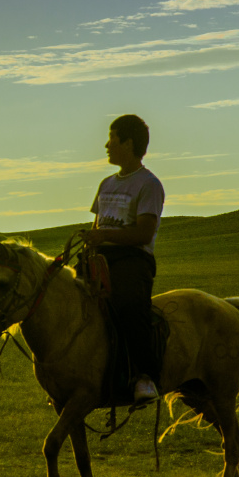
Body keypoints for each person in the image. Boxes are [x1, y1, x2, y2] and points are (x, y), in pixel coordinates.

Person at [84, 114, 165, 406]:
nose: (107, 145)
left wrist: (103, 235)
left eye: (112, 139)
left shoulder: (148, 184)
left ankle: (144, 376)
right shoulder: (106, 183)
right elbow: (97, 228)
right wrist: (92, 241)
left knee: (130, 305)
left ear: (128, 143)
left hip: (132, 259)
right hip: (100, 256)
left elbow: (143, 233)